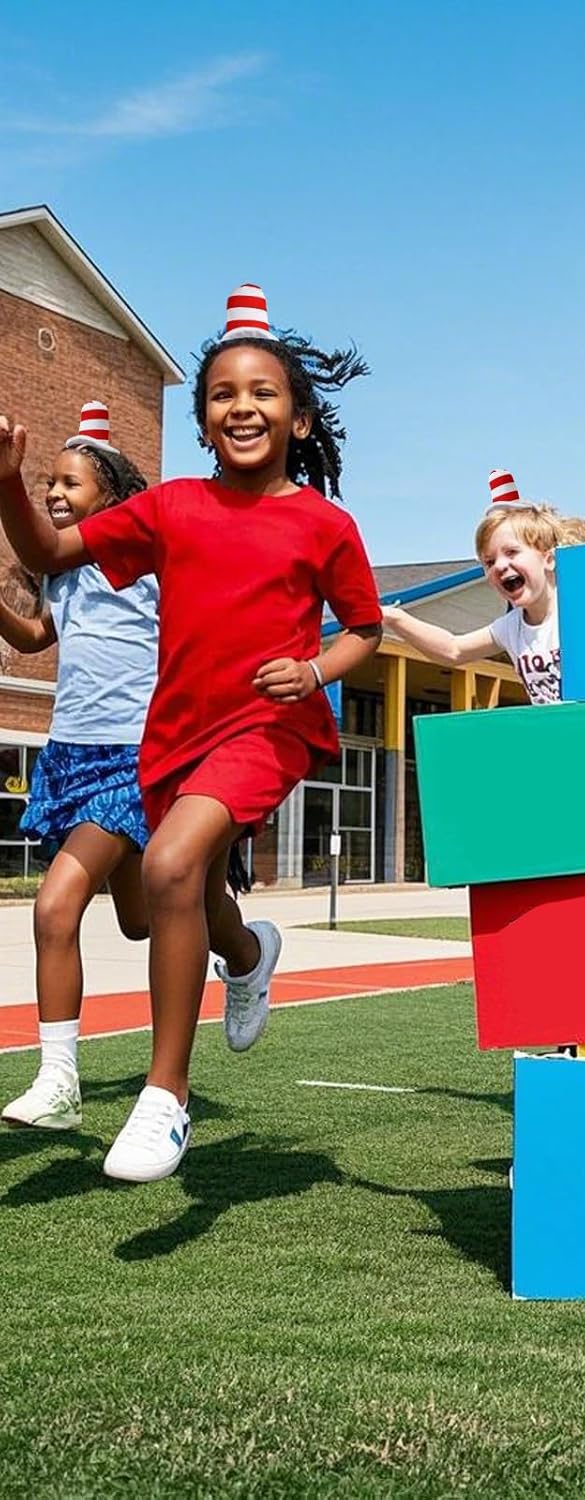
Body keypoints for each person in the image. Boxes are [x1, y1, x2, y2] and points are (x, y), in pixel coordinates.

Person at [0, 284, 383, 1182]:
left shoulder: (326, 524)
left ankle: (164, 1098)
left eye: (263, 393)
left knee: (169, 866)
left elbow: (366, 629)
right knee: (185, 894)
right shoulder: (170, 508)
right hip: (173, 737)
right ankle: (248, 954)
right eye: (221, 395)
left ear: (296, 419)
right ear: (203, 422)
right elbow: (53, 555)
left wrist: (317, 672)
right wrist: (6, 484)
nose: (242, 406)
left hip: (269, 725)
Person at [0, 405, 154, 1130]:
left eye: (69, 483)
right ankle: (235, 934)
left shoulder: (148, 566)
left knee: (55, 904)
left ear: (113, 498)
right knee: (139, 922)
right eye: (49, 482)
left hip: (133, 754)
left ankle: (59, 1080)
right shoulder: (60, 576)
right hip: (71, 753)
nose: (56, 493)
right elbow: (36, 639)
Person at [382, 476, 585, 705]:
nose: (500, 566)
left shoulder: (579, 611)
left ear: (549, 559)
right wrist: (394, 617)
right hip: (559, 731)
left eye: (512, 552)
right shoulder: (511, 627)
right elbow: (453, 649)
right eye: (489, 562)